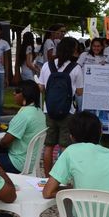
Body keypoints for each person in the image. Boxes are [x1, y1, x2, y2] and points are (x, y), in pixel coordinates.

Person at [37, 37, 83, 174]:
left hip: (49, 110)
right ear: (72, 50)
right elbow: (79, 92)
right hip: (67, 111)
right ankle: (60, 176)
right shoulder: (76, 68)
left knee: (49, 145)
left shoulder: (47, 65)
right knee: (65, 146)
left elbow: (41, 87)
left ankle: (47, 176)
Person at [0, 80, 46, 174]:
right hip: (32, 162)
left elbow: (5, 141)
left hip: (17, 163)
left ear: (25, 95)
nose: (14, 93)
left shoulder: (24, 115)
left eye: (17, 91)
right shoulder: (39, 112)